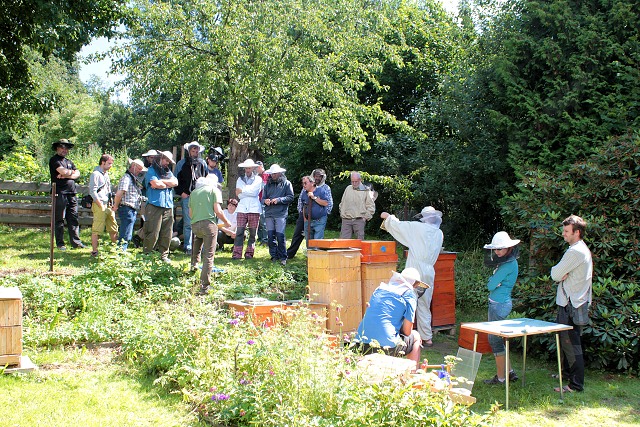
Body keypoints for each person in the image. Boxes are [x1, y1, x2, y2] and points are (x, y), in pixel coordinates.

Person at [380, 206, 444, 346]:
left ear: (423, 217)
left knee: (407, 299)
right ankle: (427, 337)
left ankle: (404, 334)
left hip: (414, 268)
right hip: (429, 270)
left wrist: (388, 216)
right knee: (425, 303)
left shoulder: (417, 228)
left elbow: (399, 226)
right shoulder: (439, 233)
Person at [551, 215, 592, 393]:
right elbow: (560, 274)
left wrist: (559, 274)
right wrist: (561, 275)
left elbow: (555, 274)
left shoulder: (575, 251)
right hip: (574, 302)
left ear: (577, 232)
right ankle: (567, 374)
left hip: (571, 305)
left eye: (567, 231)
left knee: (571, 343)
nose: (563, 234)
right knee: (567, 341)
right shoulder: (580, 249)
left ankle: (575, 385)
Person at [354, 268, 426, 370]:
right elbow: (407, 331)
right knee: (416, 336)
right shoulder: (409, 295)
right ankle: (411, 374)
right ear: (414, 284)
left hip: (360, 343)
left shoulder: (380, 289)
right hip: (386, 346)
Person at [481, 231, 521, 385]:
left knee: (495, 340)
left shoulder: (508, 265)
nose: (497, 252)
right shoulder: (507, 263)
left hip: (499, 305)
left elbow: (490, 285)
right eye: (495, 249)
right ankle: (510, 372)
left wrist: (493, 282)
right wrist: (494, 282)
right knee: (498, 340)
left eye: (500, 249)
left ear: (509, 249)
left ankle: (501, 378)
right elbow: (492, 284)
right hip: (498, 303)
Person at [189, 174, 232, 295]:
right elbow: (217, 210)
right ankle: (204, 286)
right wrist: (226, 222)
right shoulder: (214, 190)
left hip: (195, 225)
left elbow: (190, 213)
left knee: (197, 241)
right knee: (209, 254)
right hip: (209, 225)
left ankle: (194, 265)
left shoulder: (194, 192)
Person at [49, 139, 85, 250]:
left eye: (66, 148)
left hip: (72, 193)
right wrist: (68, 173)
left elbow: (77, 174)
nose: (64, 150)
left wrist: (66, 175)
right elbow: (65, 172)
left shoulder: (69, 161)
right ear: (57, 148)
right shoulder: (54, 160)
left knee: (73, 218)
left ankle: (76, 242)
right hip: (60, 193)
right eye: (62, 147)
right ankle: (60, 243)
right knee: (59, 219)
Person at [143, 151, 178, 263]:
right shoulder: (151, 170)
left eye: (169, 161)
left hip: (168, 206)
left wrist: (162, 181)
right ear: (160, 158)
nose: (167, 163)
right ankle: (147, 255)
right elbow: (155, 184)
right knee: (153, 232)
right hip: (154, 205)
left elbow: (175, 182)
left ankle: (163, 255)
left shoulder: (168, 172)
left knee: (167, 233)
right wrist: (166, 184)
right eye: (166, 160)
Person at [175, 141, 208, 255]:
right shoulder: (181, 164)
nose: (195, 153)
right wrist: (181, 192)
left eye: (196, 151)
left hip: (201, 196)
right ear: (189, 151)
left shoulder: (202, 163)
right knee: (188, 221)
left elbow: (207, 179)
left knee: (201, 220)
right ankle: (188, 246)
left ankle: (200, 246)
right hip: (187, 196)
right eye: (193, 151)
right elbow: (176, 180)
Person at [262, 164, 294, 265]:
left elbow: (290, 197)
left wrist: (279, 200)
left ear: (280, 173)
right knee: (270, 236)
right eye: (272, 174)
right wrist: (265, 201)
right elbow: (262, 199)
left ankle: (283, 257)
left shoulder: (287, 184)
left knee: (280, 236)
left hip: (280, 213)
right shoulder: (267, 185)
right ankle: (274, 256)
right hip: (269, 213)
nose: (273, 175)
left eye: (275, 173)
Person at [112, 159, 147, 250]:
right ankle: (121, 253)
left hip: (130, 209)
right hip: (127, 208)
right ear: (133, 166)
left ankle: (121, 252)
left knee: (127, 233)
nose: (140, 171)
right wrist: (115, 206)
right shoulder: (126, 178)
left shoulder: (131, 178)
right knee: (126, 234)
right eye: (139, 168)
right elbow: (119, 193)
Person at [88, 154, 118, 257]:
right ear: (103, 162)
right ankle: (95, 251)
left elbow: (109, 191)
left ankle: (115, 249)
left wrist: (112, 203)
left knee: (113, 226)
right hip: (99, 203)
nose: (110, 166)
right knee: (97, 228)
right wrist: (99, 203)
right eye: (109, 163)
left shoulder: (106, 174)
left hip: (108, 204)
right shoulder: (95, 174)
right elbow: (93, 191)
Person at [233, 159, 263, 259]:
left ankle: (249, 254)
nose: (247, 170)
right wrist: (247, 191)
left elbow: (255, 192)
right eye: (246, 168)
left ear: (253, 168)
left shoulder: (258, 179)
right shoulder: (239, 179)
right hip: (242, 207)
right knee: (239, 232)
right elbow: (238, 195)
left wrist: (243, 190)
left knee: (253, 233)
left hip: (254, 208)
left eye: (249, 168)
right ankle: (237, 254)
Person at [339, 171, 375, 240]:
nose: (354, 183)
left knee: (360, 242)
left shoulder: (366, 190)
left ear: (360, 180)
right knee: (343, 242)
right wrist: (342, 213)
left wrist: (365, 217)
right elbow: (342, 202)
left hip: (359, 219)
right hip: (346, 219)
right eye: (352, 181)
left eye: (356, 181)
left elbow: (371, 206)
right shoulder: (348, 188)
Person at [300, 175, 331, 244]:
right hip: (308, 221)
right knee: (309, 242)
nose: (303, 185)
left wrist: (314, 197)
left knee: (317, 242)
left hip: (319, 220)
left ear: (312, 183)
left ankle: (318, 254)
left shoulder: (321, 191)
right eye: (303, 183)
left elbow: (325, 203)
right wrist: (305, 221)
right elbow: (304, 207)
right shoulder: (304, 194)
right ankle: (310, 254)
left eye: (305, 183)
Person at [286, 178, 306, 259]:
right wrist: (300, 211)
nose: (317, 178)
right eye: (316, 176)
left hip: (317, 216)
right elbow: (300, 200)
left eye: (320, 176)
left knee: (313, 237)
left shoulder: (325, 188)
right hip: (303, 214)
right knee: (297, 234)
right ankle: (290, 254)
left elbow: (328, 203)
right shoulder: (306, 187)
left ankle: (314, 256)